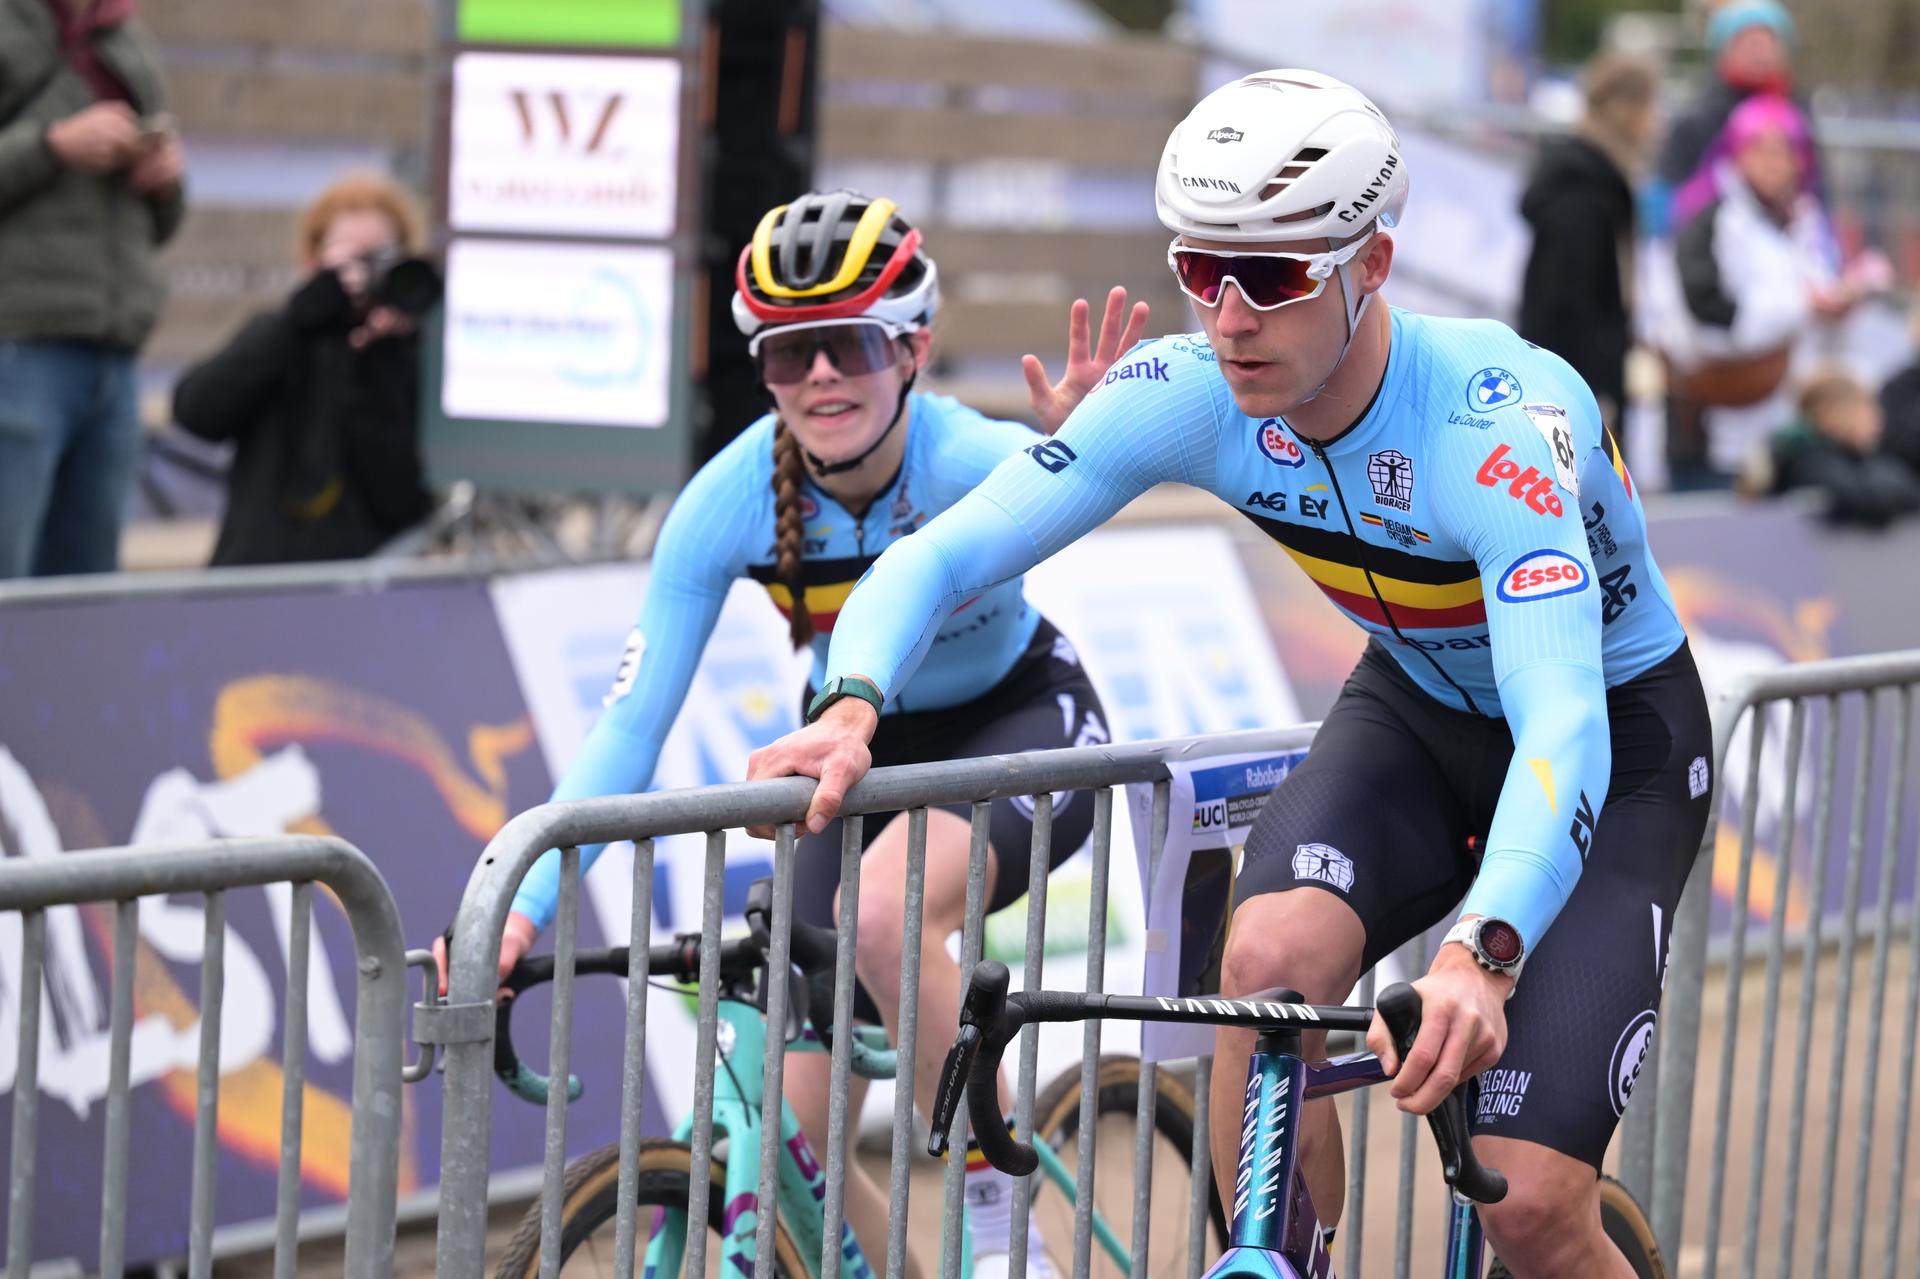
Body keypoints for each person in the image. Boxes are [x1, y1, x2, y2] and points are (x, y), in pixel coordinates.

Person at [748, 72, 1713, 1279]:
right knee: (1259, 975)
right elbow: (944, 551)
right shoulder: (1194, 394)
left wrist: (1486, 950)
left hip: (1608, 743)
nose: (1230, 316)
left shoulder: (1495, 428)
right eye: (1203, 270)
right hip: (1416, 703)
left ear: (1372, 263)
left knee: (1526, 1208)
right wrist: (854, 704)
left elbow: (1561, 719)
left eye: (1273, 275)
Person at [436, 191, 1145, 1277]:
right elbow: (630, 725)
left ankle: (1000, 1217)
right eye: (789, 352)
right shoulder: (725, 502)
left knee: (882, 918)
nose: (820, 376)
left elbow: (1086, 482)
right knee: (789, 1146)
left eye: (850, 344)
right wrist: (518, 905)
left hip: (1018, 720)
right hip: (854, 757)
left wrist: (1082, 449)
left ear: (912, 347)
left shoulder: (966, 457)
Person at [0, 0, 185, 578]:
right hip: (18, 345)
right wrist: (53, 145)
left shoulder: (123, 36)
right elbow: (49, 147)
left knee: (85, 596)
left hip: (114, 353)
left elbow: (162, 226)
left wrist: (164, 179)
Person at [171, 175, 435, 565]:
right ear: (313, 259)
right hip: (261, 577)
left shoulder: (414, 357)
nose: (365, 275)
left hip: (369, 586)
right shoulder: (282, 335)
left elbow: (407, 503)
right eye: (351, 258)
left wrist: (386, 364)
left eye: (380, 258)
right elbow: (197, 412)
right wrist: (298, 321)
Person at [1643, 94, 1860, 484]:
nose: (1774, 163)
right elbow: (1707, 320)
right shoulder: (1711, 222)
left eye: (1785, 150)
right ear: (1736, 155)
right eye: (1761, 150)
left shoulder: (1806, 222)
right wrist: (1804, 306)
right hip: (1715, 430)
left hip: (1788, 428)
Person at [1517, 54, 1658, 436]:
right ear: (1630, 112)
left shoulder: (1598, 180)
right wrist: (1597, 396)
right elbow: (1569, 306)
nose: (1657, 124)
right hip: (1575, 393)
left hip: (1580, 384)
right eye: (1652, 107)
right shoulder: (1582, 194)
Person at [1651, 0, 1813, 236]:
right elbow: (1669, 196)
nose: (1760, 52)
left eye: (1767, 41)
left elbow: (1815, 184)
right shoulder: (1698, 118)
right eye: (1749, 42)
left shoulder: (1797, 111)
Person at [1740, 369, 1920, 527]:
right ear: (1831, 414)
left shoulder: (1854, 458)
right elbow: (1864, 499)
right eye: (1866, 410)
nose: (1877, 423)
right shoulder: (1808, 457)